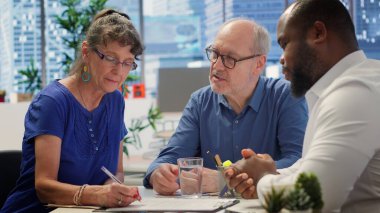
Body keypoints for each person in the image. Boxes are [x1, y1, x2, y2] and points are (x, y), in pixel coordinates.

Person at [225, 0, 380, 212]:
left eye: (285, 44)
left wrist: (262, 178)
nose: (281, 59)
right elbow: (309, 167)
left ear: (318, 33)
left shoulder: (355, 92)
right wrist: (271, 175)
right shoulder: (345, 87)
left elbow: (312, 196)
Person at [143, 18, 308, 195]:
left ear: (258, 64)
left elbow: (299, 162)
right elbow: (170, 157)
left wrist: (225, 180)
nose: (217, 65)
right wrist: (158, 174)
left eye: (229, 58)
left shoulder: (285, 96)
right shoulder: (200, 101)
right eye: (214, 54)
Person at [1, 9, 144, 212]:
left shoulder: (115, 100)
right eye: (110, 58)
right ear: (86, 52)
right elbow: (44, 187)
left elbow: (116, 173)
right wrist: (97, 195)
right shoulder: (53, 102)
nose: (119, 71)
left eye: (127, 62)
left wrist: (113, 190)